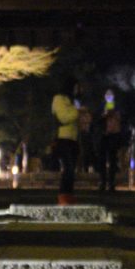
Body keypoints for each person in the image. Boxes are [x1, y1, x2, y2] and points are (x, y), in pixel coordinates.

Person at [51, 76, 80, 205]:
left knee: (71, 168)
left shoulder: (71, 101)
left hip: (72, 138)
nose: (78, 90)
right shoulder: (59, 99)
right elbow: (64, 118)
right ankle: (63, 195)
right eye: (76, 87)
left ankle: (68, 194)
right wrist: (77, 111)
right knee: (68, 168)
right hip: (62, 139)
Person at [97, 88, 123, 192]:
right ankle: (103, 182)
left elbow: (122, 118)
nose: (109, 96)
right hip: (104, 135)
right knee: (102, 160)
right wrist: (104, 116)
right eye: (107, 94)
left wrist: (115, 114)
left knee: (113, 159)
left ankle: (111, 183)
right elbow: (97, 119)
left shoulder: (117, 107)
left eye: (111, 94)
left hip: (114, 135)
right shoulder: (101, 106)